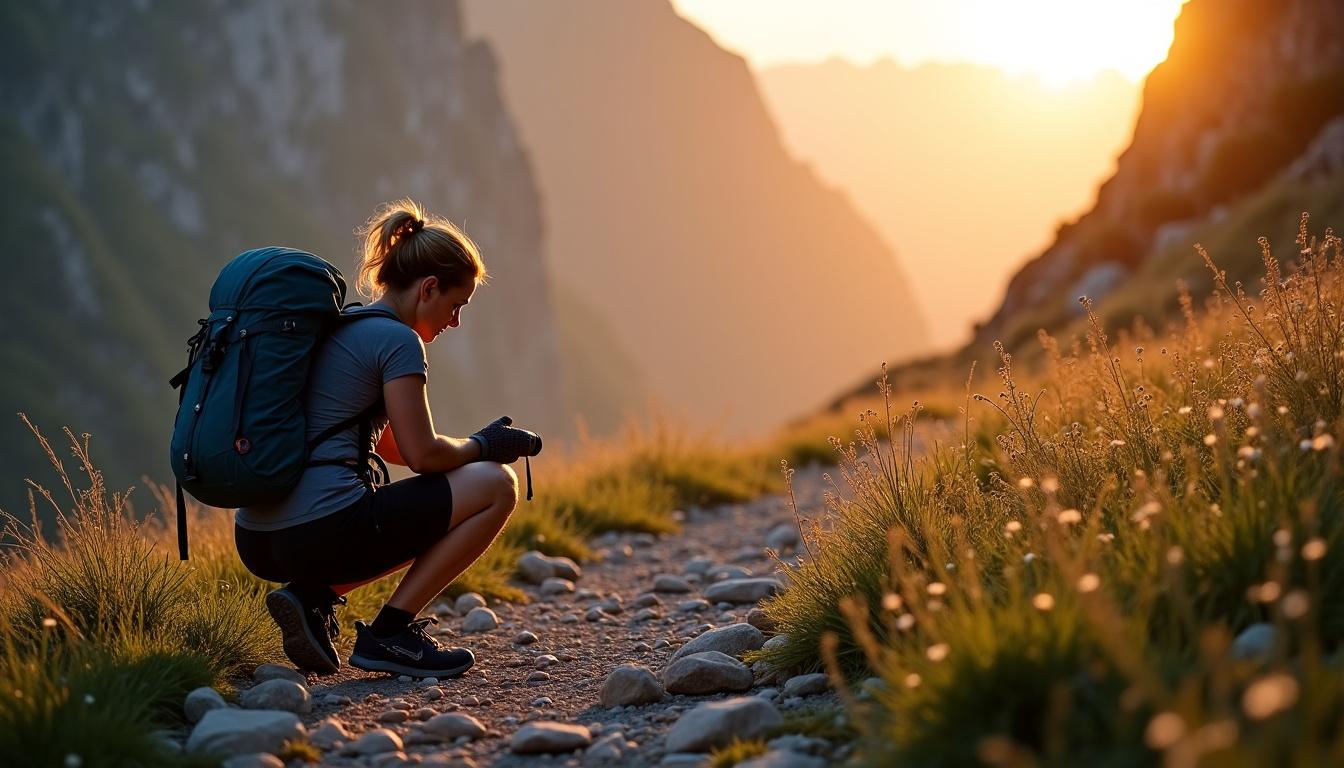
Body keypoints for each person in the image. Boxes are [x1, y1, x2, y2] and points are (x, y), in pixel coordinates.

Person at [233, 199, 539, 679]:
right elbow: (421, 456)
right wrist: (485, 447)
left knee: (462, 487)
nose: (454, 322)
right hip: (320, 533)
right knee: (498, 485)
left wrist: (466, 453)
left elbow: (389, 445)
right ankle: (391, 635)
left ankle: (311, 597)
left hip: (256, 537)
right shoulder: (398, 341)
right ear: (429, 287)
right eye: (455, 306)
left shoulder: (343, 328)